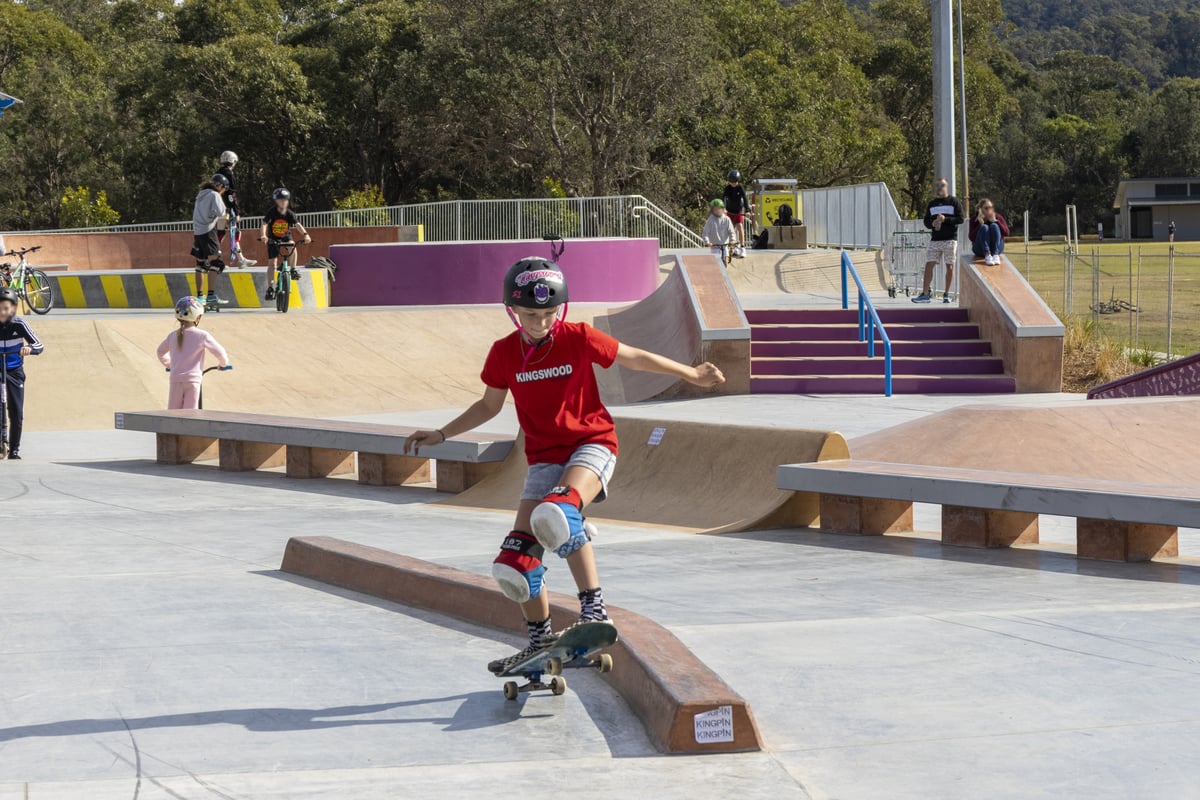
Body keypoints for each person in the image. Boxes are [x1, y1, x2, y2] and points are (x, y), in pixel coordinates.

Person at [403, 258, 725, 673]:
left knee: (557, 510)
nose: (540, 323)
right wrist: (442, 434)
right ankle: (540, 639)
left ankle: (594, 609)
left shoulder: (578, 337)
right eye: (530, 315)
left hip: (592, 444)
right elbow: (487, 405)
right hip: (543, 460)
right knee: (514, 563)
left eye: (548, 314)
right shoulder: (503, 354)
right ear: (513, 312)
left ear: (562, 310)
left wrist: (692, 373)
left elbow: (636, 357)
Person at [156, 297, 230, 410]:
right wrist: (223, 364)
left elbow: (160, 352)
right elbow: (220, 352)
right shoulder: (202, 335)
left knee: (173, 413)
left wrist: (171, 365)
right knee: (191, 414)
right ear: (197, 317)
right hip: (193, 381)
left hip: (176, 379)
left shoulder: (172, 336)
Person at [0, 286, 45, 460]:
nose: (3, 312)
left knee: (16, 412)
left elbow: (39, 345)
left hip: (14, 371)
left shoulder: (19, 324)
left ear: (13, 308)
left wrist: (29, 349)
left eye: (6, 308)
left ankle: (15, 449)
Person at [914, 177, 964, 304]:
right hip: (935, 239)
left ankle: (946, 294)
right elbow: (926, 221)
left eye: (942, 185)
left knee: (950, 266)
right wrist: (932, 223)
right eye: (937, 185)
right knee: (929, 265)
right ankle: (925, 294)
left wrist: (945, 219)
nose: (939, 187)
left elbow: (961, 219)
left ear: (947, 186)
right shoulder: (932, 204)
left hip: (950, 239)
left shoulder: (954, 202)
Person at [258, 188, 312, 301]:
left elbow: (297, 225)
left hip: (286, 237)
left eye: (285, 200)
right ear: (276, 201)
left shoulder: (289, 213)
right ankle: (270, 288)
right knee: (272, 264)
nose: (283, 202)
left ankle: (293, 269)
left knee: (292, 245)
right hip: (273, 239)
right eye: (280, 200)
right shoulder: (272, 212)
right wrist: (263, 236)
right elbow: (264, 224)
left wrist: (306, 235)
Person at [192, 174, 231, 309]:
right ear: (220, 186)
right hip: (209, 232)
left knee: (200, 265)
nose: (223, 191)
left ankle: (200, 297)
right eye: (224, 189)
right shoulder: (215, 195)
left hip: (198, 233)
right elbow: (221, 212)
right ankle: (211, 295)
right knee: (216, 263)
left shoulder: (200, 194)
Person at [216, 151, 256, 269]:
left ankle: (241, 259)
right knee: (224, 233)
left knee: (229, 233)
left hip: (218, 207)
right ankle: (214, 260)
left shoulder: (218, 173)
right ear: (232, 161)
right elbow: (231, 194)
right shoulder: (228, 173)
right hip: (226, 208)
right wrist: (236, 211)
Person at [969, 199, 1009, 266]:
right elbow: (971, 237)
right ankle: (987, 255)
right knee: (984, 227)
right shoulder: (974, 219)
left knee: (994, 226)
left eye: (990, 207)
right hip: (980, 250)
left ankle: (996, 255)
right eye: (986, 208)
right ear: (980, 209)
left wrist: (996, 221)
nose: (989, 210)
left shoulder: (997, 217)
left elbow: (1007, 233)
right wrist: (980, 224)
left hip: (997, 248)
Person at [723, 170, 750, 258]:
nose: (733, 184)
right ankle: (734, 247)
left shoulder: (740, 188)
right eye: (731, 182)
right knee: (731, 229)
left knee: (740, 226)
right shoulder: (727, 188)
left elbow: (745, 199)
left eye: (735, 182)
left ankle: (742, 247)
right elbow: (723, 198)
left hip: (738, 211)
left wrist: (747, 210)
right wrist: (723, 208)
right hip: (729, 211)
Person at [701, 198, 737, 263]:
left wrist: (733, 240)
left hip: (724, 245)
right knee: (715, 264)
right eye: (715, 209)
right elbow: (705, 233)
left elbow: (731, 231)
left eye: (719, 208)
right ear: (712, 210)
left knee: (725, 261)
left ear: (723, 209)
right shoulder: (710, 220)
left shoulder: (726, 219)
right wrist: (707, 242)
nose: (717, 211)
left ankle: (725, 271)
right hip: (714, 246)